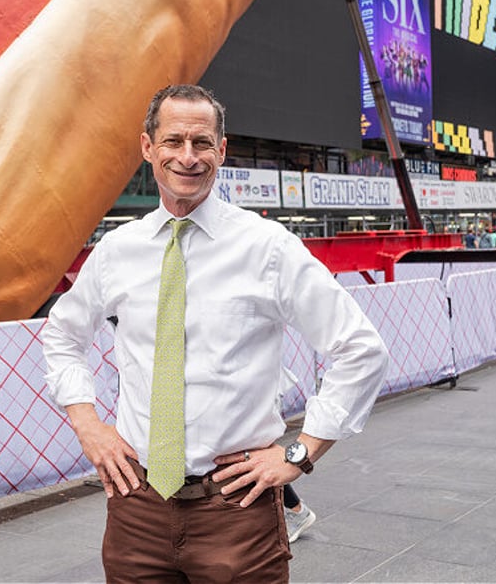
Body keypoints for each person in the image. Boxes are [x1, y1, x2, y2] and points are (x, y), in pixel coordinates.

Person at [42, 84, 389, 583]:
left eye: (202, 143)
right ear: (148, 148)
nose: (188, 156)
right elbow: (62, 334)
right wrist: (88, 426)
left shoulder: (267, 248)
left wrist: (298, 455)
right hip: (136, 508)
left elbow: (360, 349)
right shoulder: (119, 250)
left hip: (236, 512)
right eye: (173, 141)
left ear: (221, 151)